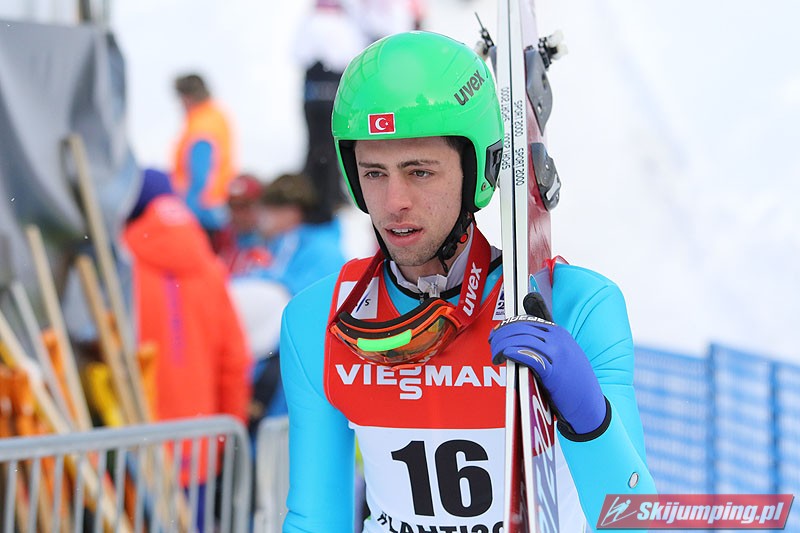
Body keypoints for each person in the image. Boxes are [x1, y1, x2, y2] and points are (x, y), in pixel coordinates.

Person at [279, 31, 656, 532]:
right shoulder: (317, 320)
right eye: (374, 173)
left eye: (419, 172)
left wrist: (590, 419)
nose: (393, 202)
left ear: (478, 169)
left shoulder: (579, 306)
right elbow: (315, 519)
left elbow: (636, 523)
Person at [123, 167, 251, 442]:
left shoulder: (122, 268)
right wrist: (227, 441)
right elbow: (233, 361)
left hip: (132, 445)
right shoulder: (212, 270)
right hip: (200, 443)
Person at [292, 0, 370, 223]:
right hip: (333, 98)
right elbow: (351, 58)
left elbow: (298, 54)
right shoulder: (343, 26)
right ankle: (327, 199)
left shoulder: (309, 23)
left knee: (316, 148)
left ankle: (315, 196)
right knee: (330, 148)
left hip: (312, 98)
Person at [171, 73, 236, 247]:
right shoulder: (216, 116)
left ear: (187, 97)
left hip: (203, 213)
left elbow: (199, 177)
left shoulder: (202, 126)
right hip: (218, 208)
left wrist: (187, 215)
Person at [216, 173, 272, 276]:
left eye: (244, 206)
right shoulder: (219, 239)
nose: (237, 214)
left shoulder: (276, 242)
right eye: (232, 206)